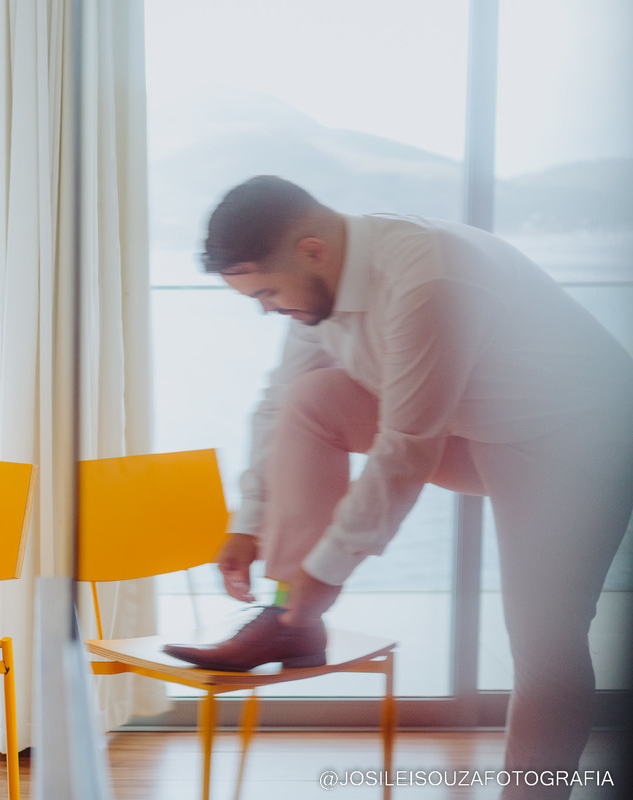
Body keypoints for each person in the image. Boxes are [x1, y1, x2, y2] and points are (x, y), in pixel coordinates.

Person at [164, 176, 633, 797]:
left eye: (268, 292)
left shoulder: (428, 278)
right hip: (479, 427)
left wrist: (328, 569)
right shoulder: (317, 292)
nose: (267, 309)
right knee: (308, 399)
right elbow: (278, 406)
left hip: (579, 440)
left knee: (544, 639)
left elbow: (406, 448)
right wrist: (248, 523)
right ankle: (290, 617)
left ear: (312, 250)